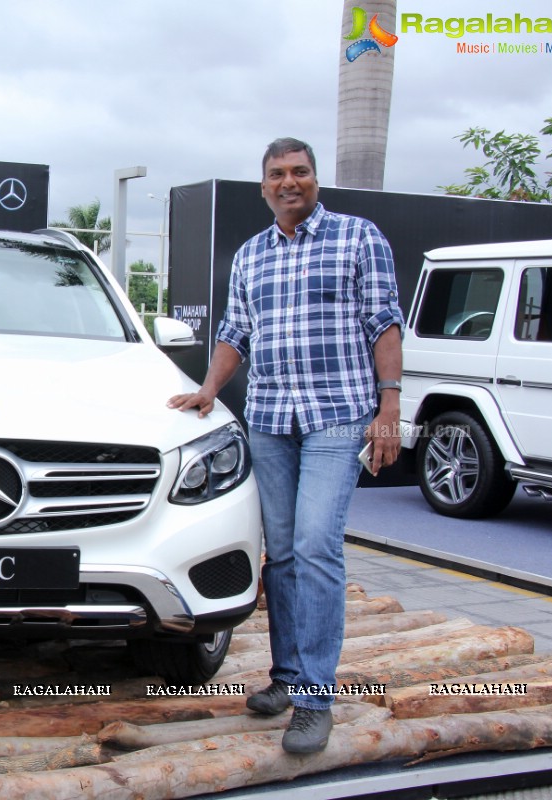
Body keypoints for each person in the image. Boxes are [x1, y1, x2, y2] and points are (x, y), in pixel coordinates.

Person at [167, 138, 403, 754]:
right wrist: (207, 390)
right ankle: (288, 679)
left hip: (337, 418)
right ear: (264, 186)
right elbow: (234, 332)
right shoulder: (251, 255)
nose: (289, 182)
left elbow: (383, 322)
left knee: (316, 546)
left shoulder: (357, 238)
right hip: (270, 419)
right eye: (277, 174)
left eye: (299, 172)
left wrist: (390, 408)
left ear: (316, 179)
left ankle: (316, 701)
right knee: (283, 558)